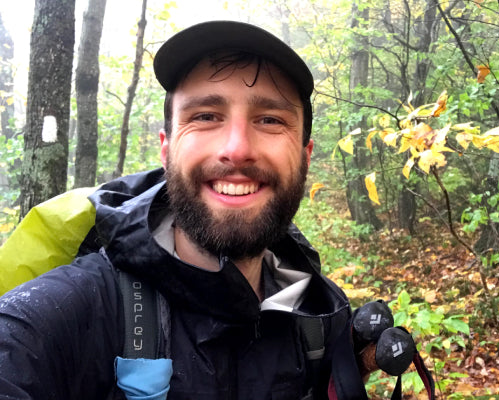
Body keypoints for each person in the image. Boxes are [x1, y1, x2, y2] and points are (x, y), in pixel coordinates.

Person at [0, 21, 353, 400]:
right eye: (205, 116)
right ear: (166, 151)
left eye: (270, 119)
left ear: (305, 156)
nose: (236, 149)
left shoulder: (322, 316)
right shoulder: (66, 313)